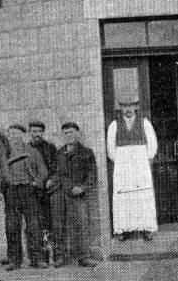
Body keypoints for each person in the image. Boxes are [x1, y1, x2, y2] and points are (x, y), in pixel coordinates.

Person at [107, 95, 158, 241]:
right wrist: (122, 163)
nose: (128, 109)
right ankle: (124, 230)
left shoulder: (145, 123)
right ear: (120, 108)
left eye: (131, 106)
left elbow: (152, 143)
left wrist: (145, 160)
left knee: (142, 195)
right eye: (124, 106)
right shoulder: (114, 125)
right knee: (124, 195)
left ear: (136, 107)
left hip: (141, 164)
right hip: (123, 166)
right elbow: (111, 149)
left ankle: (146, 229)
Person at [50, 122, 97, 268]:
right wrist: (51, 180)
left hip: (77, 194)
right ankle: (60, 256)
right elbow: (55, 172)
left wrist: (82, 187)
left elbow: (92, 174)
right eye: (65, 133)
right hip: (60, 193)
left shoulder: (86, 152)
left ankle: (84, 257)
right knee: (58, 225)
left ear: (77, 133)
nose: (68, 135)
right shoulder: (59, 153)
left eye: (71, 132)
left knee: (81, 224)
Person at [2, 124, 48, 270]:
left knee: (34, 225)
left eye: (17, 134)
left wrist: (37, 182)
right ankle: (15, 260)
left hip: (29, 191)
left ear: (23, 135)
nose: (14, 137)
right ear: (8, 136)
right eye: (11, 134)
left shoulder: (32, 152)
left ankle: (37, 258)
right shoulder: (4, 153)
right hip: (12, 192)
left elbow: (43, 171)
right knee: (12, 226)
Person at [29, 121, 57, 255]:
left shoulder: (50, 148)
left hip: (47, 190)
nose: (36, 134)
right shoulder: (26, 149)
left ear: (43, 132)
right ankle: (36, 254)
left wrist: (51, 180)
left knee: (47, 221)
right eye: (33, 131)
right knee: (33, 222)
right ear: (30, 132)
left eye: (39, 131)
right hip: (31, 191)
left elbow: (56, 167)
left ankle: (49, 252)